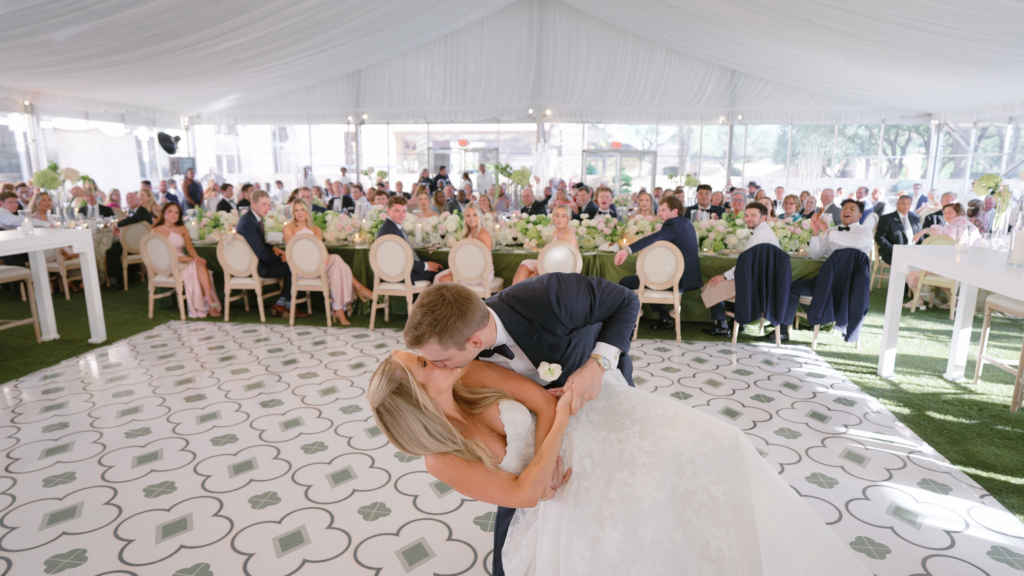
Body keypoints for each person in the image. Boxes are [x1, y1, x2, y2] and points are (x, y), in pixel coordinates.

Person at [380, 280, 867, 576]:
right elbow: (523, 492)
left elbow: (620, 308)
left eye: (435, 359)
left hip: (590, 411)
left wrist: (598, 363)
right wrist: (541, 473)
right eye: (425, 363)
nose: (436, 364)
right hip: (550, 462)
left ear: (473, 340)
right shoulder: (443, 440)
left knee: (709, 456)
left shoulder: (542, 302)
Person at [761, 200, 873, 343]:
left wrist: (827, 229)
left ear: (860, 215)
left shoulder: (864, 232)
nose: (847, 210)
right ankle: (781, 332)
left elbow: (855, 243)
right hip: (827, 284)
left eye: (852, 209)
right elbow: (816, 254)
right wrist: (815, 233)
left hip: (851, 287)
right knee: (790, 288)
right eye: (844, 208)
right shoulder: (833, 230)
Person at [614, 195, 702, 331]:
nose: (659, 213)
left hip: (675, 280)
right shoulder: (685, 223)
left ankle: (624, 322)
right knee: (647, 277)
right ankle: (664, 317)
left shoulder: (672, 224)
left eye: (663, 210)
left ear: (675, 211)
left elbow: (657, 237)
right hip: (686, 278)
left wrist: (627, 250)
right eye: (659, 210)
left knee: (626, 282)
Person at [283, 199, 371, 324]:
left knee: (335, 264)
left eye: (302, 209)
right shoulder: (288, 227)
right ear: (293, 212)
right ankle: (356, 288)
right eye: (296, 210)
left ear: (307, 211)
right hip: (300, 267)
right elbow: (292, 248)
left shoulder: (316, 229)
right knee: (337, 260)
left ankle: (338, 309)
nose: (299, 213)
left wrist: (326, 257)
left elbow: (321, 249)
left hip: (318, 266)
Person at [701, 202, 781, 336]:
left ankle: (722, 326)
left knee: (713, 285)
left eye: (753, 215)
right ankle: (735, 321)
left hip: (757, 284)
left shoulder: (761, 235)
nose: (748, 218)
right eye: (747, 215)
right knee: (721, 283)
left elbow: (746, 264)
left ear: (763, 218)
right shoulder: (762, 231)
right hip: (759, 279)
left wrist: (725, 276)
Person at [236, 190, 307, 319]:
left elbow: (259, 243)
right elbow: (260, 251)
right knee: (294, 267)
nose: (267, 208)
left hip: (257, 262)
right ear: (253, 204)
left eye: (268, 205)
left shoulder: (252, 219)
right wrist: (280, 261)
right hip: (257, 267)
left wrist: (274, 248)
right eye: (263, 204)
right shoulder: (249, 223)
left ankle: (281, 304)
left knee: (291, 265)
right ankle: (290, 306)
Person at [151, 202, 221, 318]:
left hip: (185, 261)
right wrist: (188, 259)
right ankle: (208, 303)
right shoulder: (157, 231)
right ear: (163, 213)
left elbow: (190, 248)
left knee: (199, 263)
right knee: (197, 266)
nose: (173, 214)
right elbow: (159, 255)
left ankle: (207, 298)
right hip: (167, 264)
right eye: (170, 211)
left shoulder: (182, 228)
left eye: (177, 212)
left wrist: (196, 257)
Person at [376, 196, 444, 283]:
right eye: (397, 211)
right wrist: (425, 266)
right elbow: (400, 261)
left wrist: (425, 265)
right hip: (395, 275)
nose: (401, 215)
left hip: (397, 271)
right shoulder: (390, 232)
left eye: (404, 211)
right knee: (439, 272)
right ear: (388, 211)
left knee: (436, 268)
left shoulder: (392, 226)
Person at [512, 204, 577, 285]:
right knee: (525, 266)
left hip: (562, 270)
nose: (560, 219)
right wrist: (541, 265)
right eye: (557, 216)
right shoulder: (556, 231)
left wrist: (542, 267)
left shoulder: (568, 233)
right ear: (553, 217)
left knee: (526, 270)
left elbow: (573, 261)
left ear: (568, 218)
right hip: (553, 265)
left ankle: (511, 296)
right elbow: (554, 256)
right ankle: (512, 296)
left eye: (563, 216)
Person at [104, 191, 155, 290]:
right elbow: (130, 219)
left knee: (111, 252)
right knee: (113, 247)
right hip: (133, 243)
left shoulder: (142, 211)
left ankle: (119, 282)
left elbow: (135, 219)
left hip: (141, 245)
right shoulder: (131, 212)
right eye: (127, 198)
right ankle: (130, 276)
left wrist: (117, 224)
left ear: (137, 199)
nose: (129, 200)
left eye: (131, 197)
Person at [434, 202, 494, 286]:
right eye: (468, 215)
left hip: (481, 272)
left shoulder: (482, 232)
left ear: (479, 216)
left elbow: (486, 258)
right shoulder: (470, 231)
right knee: (438, 276)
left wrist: (460, 269)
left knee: (443, 280)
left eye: (474, 215)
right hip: (468, 268)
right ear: (465, 217)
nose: (471, 218)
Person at [874, 195, 920, 265]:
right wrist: (893, 249)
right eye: (903, 203)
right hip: (894, 252)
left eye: (908, 203)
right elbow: (879, 238)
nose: (906, 205)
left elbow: (921, 237)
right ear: (897, 204)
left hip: (913, 251)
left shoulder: (915, 219)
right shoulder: (887, 219)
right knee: (908, 262)